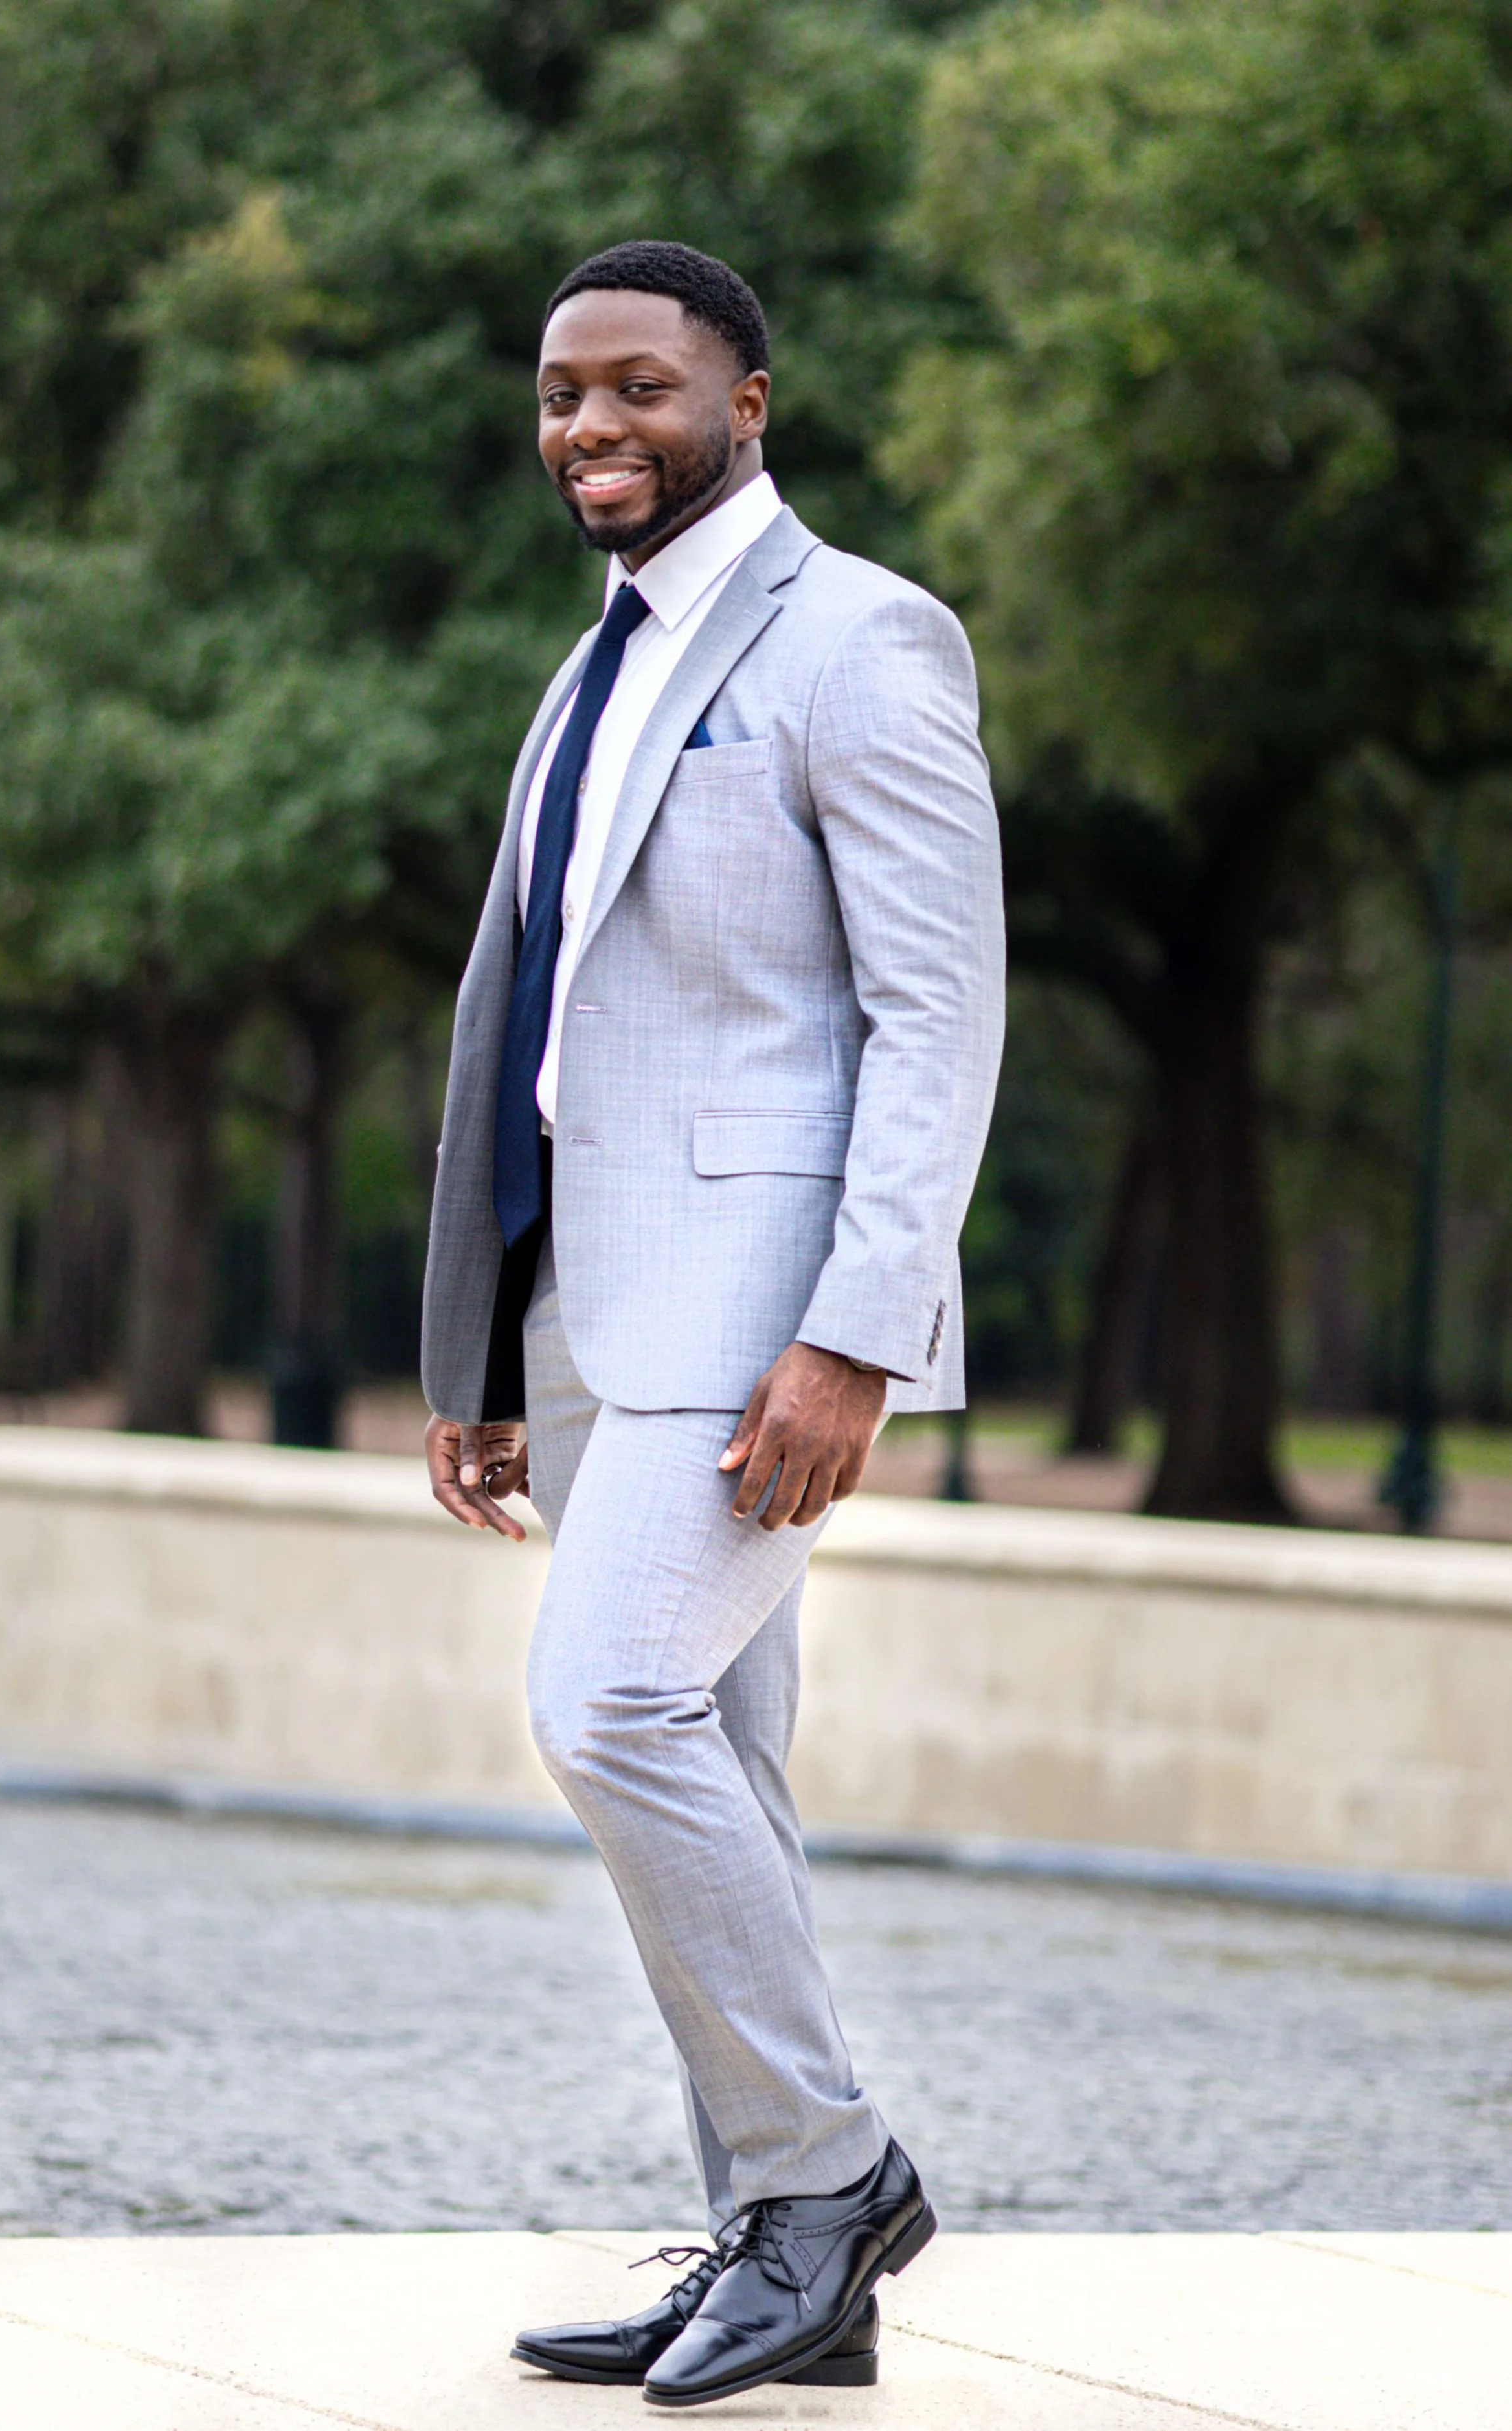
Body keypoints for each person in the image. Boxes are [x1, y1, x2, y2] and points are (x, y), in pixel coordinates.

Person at [422, 239, 1004, 2408]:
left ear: (746, 400)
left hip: (758, 1322)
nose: (592, 425)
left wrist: (853, 1338)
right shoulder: (594, 666)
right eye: (564, 391)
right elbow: (538, 1030)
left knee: (610, 1718)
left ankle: (826, 2177)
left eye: (640, 387)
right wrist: (485, 1347)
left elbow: (935, 1017)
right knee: (725, 1762)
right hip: (591, 1315)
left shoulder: (860, 637)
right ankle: (790, 2265)